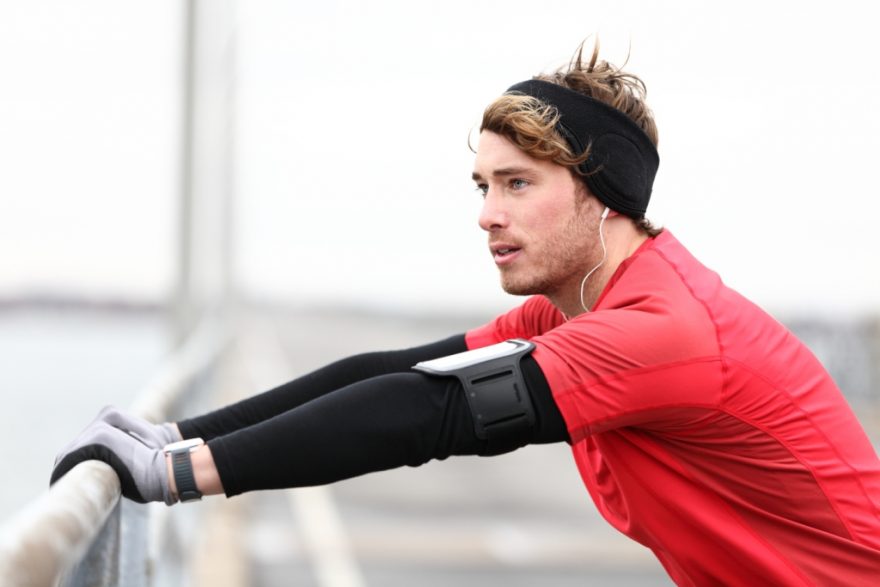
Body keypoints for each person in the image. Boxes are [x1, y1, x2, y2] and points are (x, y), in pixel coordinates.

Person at [52, 43, 880, 585]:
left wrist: (175, 475)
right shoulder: (578, 310)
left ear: (603, 194)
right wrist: (174, 435)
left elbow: (434, 414)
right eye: (483, 186)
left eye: (518, 183)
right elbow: (403, 373)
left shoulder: (662, 328)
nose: (487, 213)